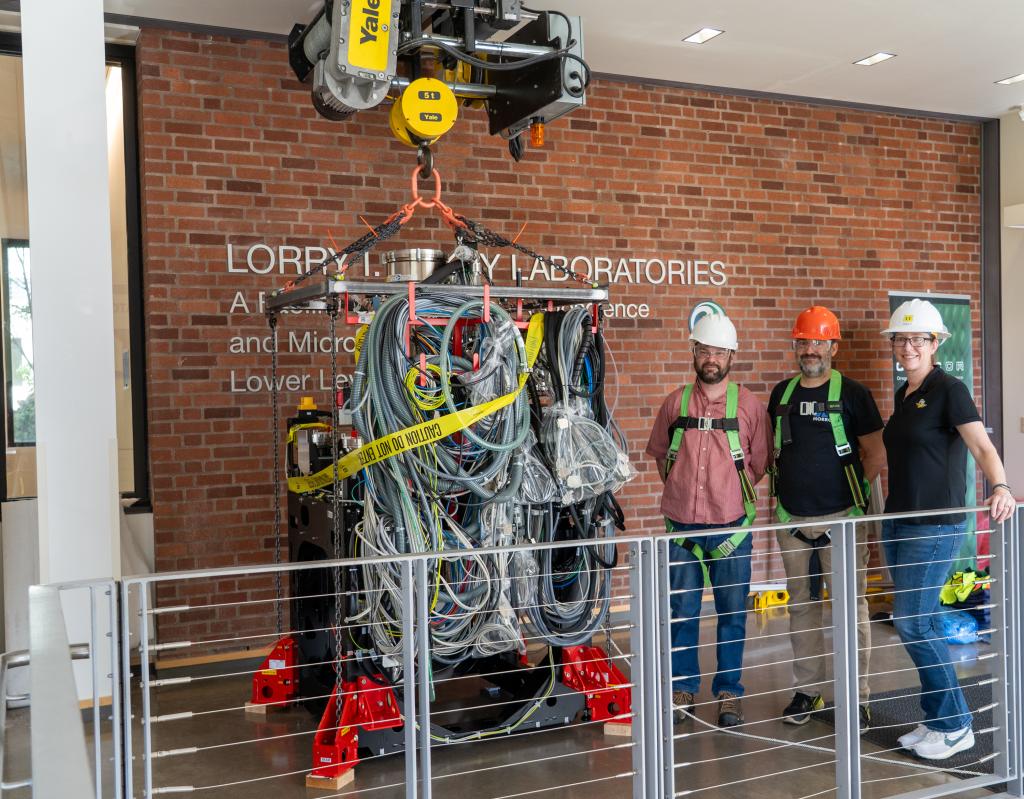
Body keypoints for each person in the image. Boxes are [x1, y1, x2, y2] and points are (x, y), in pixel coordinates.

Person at [881, 298, 1015, 760]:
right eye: (901, 338)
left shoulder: (950, 389)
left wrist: (999, 486)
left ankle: (957, 725)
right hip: (898, 522)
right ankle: (938, 719)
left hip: (934, 525)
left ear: (935, 343)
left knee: (913, 622)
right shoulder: (903, 395)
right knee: (926, 622)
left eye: (918, 339)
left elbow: (980, 445)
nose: (908, 346)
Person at [645, 312, 771, 727]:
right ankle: (683, 686)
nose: (711, 357)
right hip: (681, 526)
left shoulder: (750, 406)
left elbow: (760, 463)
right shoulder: (675, 402)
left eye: (719, 350)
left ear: (732, 355)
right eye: (704, 349)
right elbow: (663, 454)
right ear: (694, 352)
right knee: (682, 612)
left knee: (733, 613)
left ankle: (729, 691)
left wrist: (726, 492)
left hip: (731, 528)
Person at [768, 306, 885, 730]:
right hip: (792, 520)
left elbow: (875, 453)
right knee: (800, 606)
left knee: (850, 608)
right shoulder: (781, 393)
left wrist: (852, 506)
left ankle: (857, 697)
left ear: (834, 346)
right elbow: (777, 452)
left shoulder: (854, 394)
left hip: (843, 519)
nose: (809, 349)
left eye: (818, 341)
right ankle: (808, 691)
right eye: (803, 341)